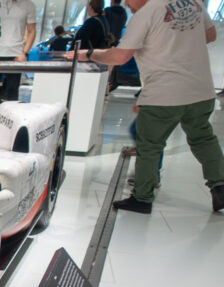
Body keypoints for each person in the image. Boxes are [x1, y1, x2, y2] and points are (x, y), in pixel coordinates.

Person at [67, 0, 224, 213]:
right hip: (201, 90)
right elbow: (210, 35)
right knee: (203, 138)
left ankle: (142, 198)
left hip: (164, 93)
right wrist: (178, 44)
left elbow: (121, 56)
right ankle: (220, 187)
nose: (126, 4)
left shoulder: (146, 14)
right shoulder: (195, 4)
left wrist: (89, 53)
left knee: (150, 144)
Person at [0, 0, 36, 119]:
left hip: (16, 54)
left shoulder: (28, 5)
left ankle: (11, 125)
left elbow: (32, 31)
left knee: (12, 92)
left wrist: (25, 52)